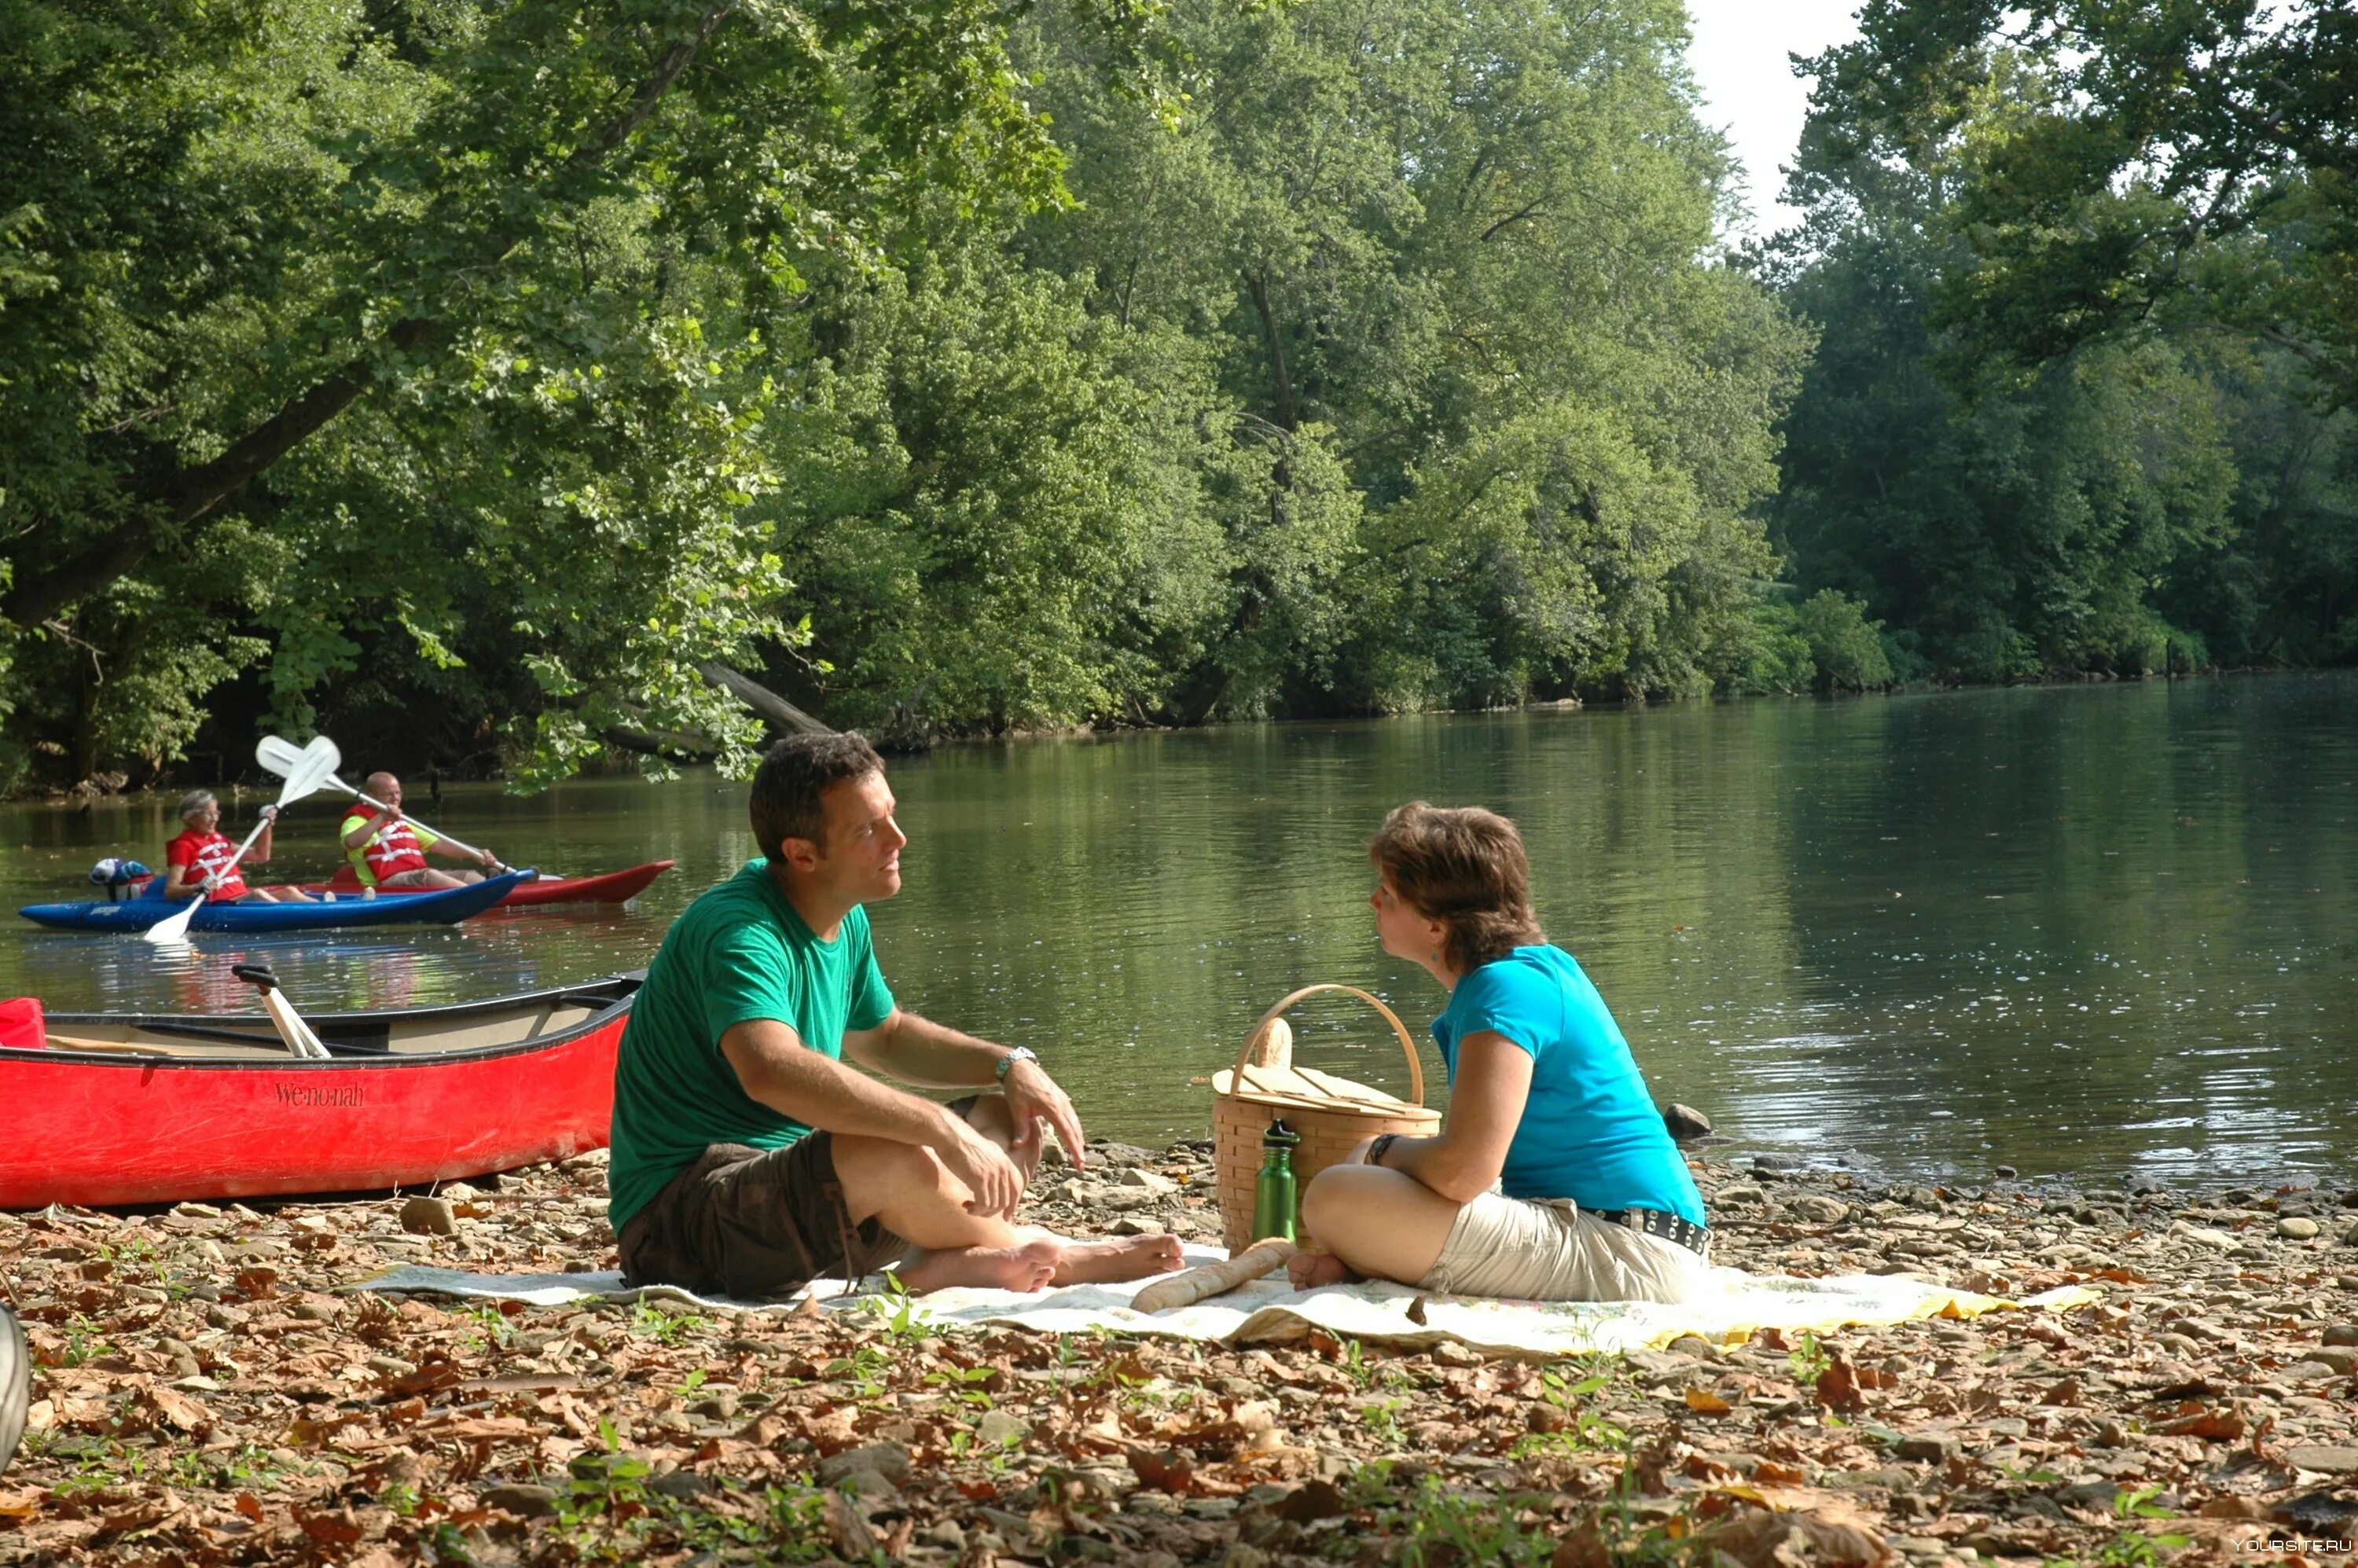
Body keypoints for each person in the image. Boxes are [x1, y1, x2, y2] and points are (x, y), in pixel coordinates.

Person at [607, 732, 1185, 1299]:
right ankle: (1058, 1258)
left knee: (998, 1113)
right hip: (684, 1224)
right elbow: (770, 1068)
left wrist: (1009, 1064)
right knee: (890, 1143)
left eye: (891, 815)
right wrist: (936, 1125)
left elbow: (887, 1036)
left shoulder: (841, 911)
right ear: (802, 853)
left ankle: (946, 1263)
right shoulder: (740, 931)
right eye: (868, 829)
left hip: (809, 1212)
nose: (899, 837)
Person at [1286, 802, 1709, 1303]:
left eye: (1392, 895)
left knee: (1338, 1193)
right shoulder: (1521, 975)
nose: (1374, 901)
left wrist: (1386, 1149)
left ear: (1438, 927)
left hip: (1629, 1253)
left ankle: (1363, 1261)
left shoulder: (1505, 990)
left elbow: (1465, 1171)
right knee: (1360, 1168)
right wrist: (1380, 1156)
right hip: (1622, 1237)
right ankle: (1360, 1265)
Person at [338, 773, 496, 888]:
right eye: (388, 794)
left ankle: (489, 890)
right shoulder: (356, 820)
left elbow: (440, 845)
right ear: (371, 796)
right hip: (386, 883)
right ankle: (472, 895)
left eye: (398, 793)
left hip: (415, 876)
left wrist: (475, 853)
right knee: (431, 875)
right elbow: (351, 842)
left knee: (471, 876)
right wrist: (381, 817)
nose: (395, 798)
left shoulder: (402, 821)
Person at [161, 791, 314, 904]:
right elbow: (171, 890)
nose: (215, 819)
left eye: (216, 813)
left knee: (290, 892)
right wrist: (197, 887)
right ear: (192, 818)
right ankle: (296, 916)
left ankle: (328, 909)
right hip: (220, 904)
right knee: (258, 895)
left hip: (242, 898)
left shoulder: (219, 839)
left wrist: (266, 826)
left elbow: (261, 856)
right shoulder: (183, 846)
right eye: (208, 815)